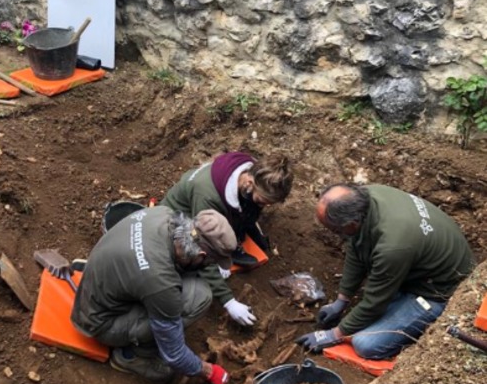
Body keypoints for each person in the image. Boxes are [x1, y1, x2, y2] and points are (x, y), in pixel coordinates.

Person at [296, 183, 475, 359]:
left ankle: (415, 323)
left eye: (335, 230)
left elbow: (375, 302)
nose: (336, 235)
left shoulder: (393, 247)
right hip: (418, 266)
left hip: (439, 291)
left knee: (365, 344)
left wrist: (334, 335)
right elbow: (356, 246)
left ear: (352, 222)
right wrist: (342, 300)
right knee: (366, 309)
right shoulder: (365, 197)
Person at [71, 205, 237, 384]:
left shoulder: (162, 213)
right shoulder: (160, 282)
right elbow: (174, 354)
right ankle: (132, 356)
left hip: (100, 285)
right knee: (200, 296)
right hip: (100, 322)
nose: (210, 266)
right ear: (201, 254)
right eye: (211, 262)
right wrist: (207, 371)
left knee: (180, 284)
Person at [160, 151, 293, 326]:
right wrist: (228, 301)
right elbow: (196, 245)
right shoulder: (207, 196)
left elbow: (246, 206)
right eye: (263, 200)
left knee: (252, 226)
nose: (265, 206)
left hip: (210, 211)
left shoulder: (253, 170)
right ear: (249, 182)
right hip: (175, 222)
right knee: (190, 272)